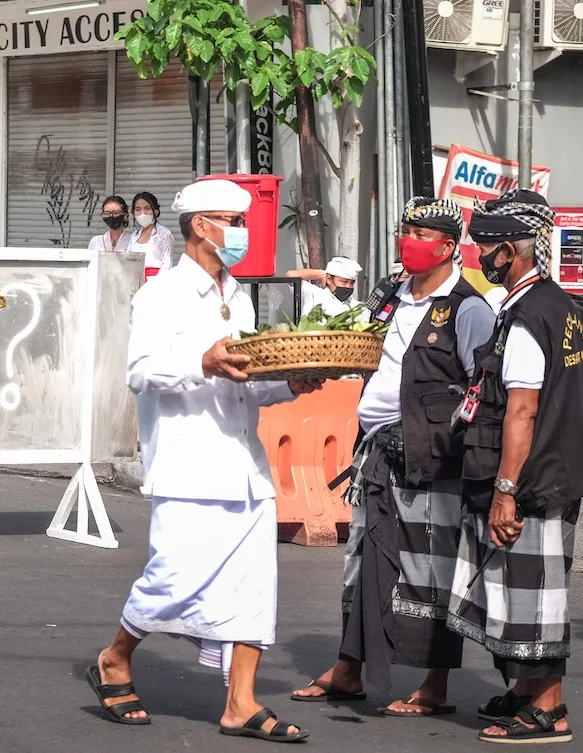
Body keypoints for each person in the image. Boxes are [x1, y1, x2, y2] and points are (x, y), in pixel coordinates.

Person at [85, 179, 322, 743]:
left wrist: (287, 383)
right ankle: (115, 657)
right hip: (189, 463)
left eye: (241, 222)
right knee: (171, 578)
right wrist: (203, 362)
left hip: (245, 464)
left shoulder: (237, 296)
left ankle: (240, 702)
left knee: (252, 587)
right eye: (229, 221)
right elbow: (139, 372)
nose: (240, 234)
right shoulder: (160, 294)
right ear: (198, 226)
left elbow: (247, 386)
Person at [291, 196, 496, 715]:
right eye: (406, 231)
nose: (410, 241)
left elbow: (483, 387)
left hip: (433, 458)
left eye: (422, 234)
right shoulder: (391, 295)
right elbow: (361, 344)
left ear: (449, 247)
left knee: (430, 568)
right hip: (376, 451)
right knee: (362, 561)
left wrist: (445, 434)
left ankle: (435, 684)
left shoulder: (468, 308)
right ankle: (348, 668)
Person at [447, 190, 583, 744]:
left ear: (512, 251)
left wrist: (506, 491)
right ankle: (522, 690)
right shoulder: (555, 304)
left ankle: (549, 709)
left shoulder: (526, 316)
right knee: (520, 587)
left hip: (534, 476)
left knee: (533, 592)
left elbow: (522, 409)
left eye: (486, 247)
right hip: (559, 468)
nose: (479, 257)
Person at [286, 256, 368, 320]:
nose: (348, 286)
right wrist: (321, 274)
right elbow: (290, 276)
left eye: (351, 283)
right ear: (329, 279)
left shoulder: (358, 308)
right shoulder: (314, 294)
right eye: (344, 282)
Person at [128, 191, 175, 279]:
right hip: (134, 282)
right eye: (138, 209)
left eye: (147, 208)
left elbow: (167, 265)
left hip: (155, 284)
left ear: (156, 212)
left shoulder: (164, 234)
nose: (142, 213)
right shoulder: (134, 236)